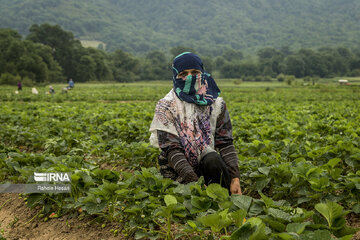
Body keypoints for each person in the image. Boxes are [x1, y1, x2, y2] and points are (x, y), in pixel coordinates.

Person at [149, 52, 242, 195]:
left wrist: (235, 178)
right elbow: (172, 150)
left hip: (205, 163)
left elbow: (225, 143)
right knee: (186, 201)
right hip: (176, 169)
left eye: (195, 72)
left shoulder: (216, 104)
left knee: (213, 160)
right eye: (183, 74)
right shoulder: (167, 106)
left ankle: (225, 203)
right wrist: (195, 183)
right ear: (176, 76)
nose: (190, 77)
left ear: (203, 73)